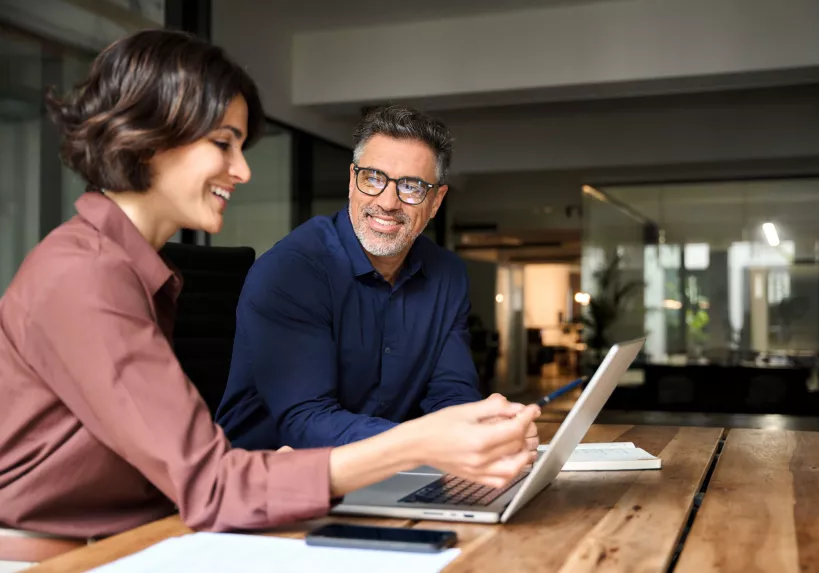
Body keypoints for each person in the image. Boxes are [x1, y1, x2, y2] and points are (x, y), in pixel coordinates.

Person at [0, 30, 540, 544]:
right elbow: (212, 484)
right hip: (72, 551)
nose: (243, 171)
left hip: (158, 528)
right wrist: (420, 443)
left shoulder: (131, 268)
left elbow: (195, 474)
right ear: (149, 141)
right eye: (223, 143)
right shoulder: (87, 276)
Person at [216, 104, 539, 452]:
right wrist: (431, 442)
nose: (387, 202)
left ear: (435, 201)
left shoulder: (448, 275)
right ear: (352, 180)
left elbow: (451, 393)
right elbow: (306, 424)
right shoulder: (291, 271)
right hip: (272, 478)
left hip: (392, 471)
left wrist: (484, 429)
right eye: (373, 178)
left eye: (412, 187)